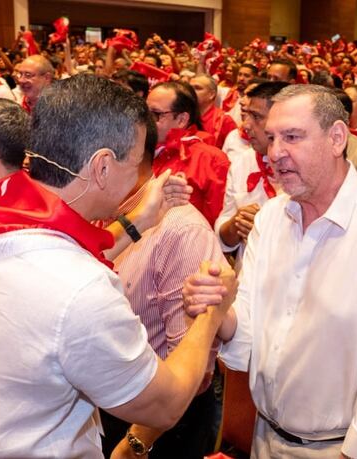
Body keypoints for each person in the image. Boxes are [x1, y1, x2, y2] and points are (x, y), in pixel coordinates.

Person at [0, 74, 231, 458]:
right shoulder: (81, 287)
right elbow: (163, 405)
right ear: (102, 166)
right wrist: (212, 312)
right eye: (137, 161)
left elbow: (58, 246)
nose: (142, 174)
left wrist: (138, 221)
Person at [185, 84, 357, 458]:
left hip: (338, 448)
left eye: (292, 137)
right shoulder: (270, 218)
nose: (275, 152)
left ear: (337, 138)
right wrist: (219, 310)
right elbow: (249, 332)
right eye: (272, 138)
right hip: (264, 435)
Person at [101, 115, 226, 459]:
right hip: (107, 405)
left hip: (156, 425)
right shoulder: (103, 215)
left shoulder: (180, 229)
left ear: (108, 163)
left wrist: (135, 444)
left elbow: (192, 366)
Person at [215, 81, 288, 265]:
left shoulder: (312, 170)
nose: (246, 125)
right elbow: (225, 238)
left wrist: (266, 229)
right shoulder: (243, 162)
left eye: (256, 116)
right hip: (246, 275)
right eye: (247, 115)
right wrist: (237, 224)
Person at [147, 81, 230, 227]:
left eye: (155, 114)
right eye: (144, 112)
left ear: (181, 119)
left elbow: (214, 226)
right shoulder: (135, 150)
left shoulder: (211, 160)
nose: (145, 121)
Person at [191, 74, 237, 149]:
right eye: (190, 88)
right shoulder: (183, 116)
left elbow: (234, 151)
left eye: (197, 88)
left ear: (211, 95)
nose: (191, 92)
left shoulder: (224, 121)